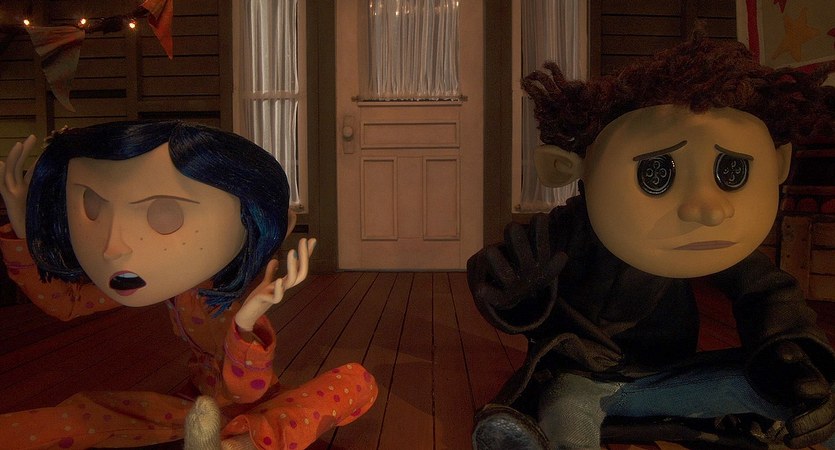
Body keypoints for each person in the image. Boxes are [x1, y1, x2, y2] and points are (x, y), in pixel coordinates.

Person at [468, 31, 835, 449]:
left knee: (800, 394)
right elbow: (497, 271)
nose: (709, 210)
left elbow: (766, 291)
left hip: (671, 377)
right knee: (565, 412)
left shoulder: (712, 243)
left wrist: (789, 355)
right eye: (656, 174)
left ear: (779, 163)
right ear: (567, 169)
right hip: (583, 381)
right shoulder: (567, 231)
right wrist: (521, 301)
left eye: (731, 172)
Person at [0, 121, 377, 450]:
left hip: (260, 410)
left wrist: (246, 322)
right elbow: (67, 303)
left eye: (165, 214)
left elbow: (249, 390)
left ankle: (240, 445)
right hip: (193, 407)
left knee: (355, 382)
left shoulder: (220, 293)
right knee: (88, 413)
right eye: (93, 208)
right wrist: (23, 227)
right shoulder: (167, 280)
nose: (114, 247)